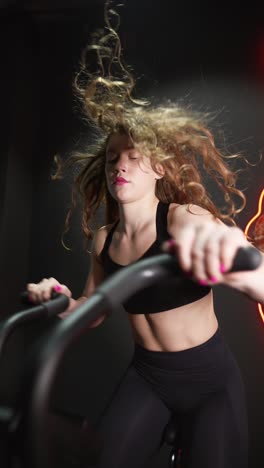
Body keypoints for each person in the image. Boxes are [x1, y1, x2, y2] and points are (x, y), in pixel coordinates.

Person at [27, 3, 264, 467]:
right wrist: (58, 300)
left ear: (159, 167)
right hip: (148, 377)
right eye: (114, 156)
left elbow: (259, 279)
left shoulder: (185, 220)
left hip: (209, 381)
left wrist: (240, 266)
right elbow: (94, 312)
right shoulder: (104, 241)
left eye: (134, 156)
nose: (121, 164)